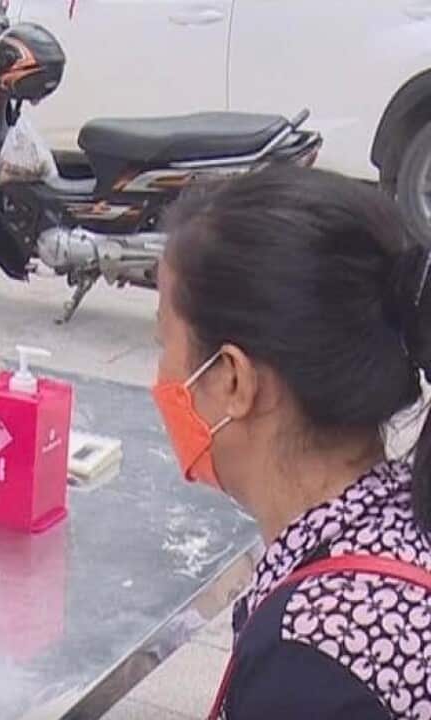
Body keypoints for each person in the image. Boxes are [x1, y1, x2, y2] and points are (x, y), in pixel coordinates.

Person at [152, 166, 431, 719]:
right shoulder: (399, 518)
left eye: (163, 340)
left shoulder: (313, 659)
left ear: (233, 379)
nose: (158, 376)